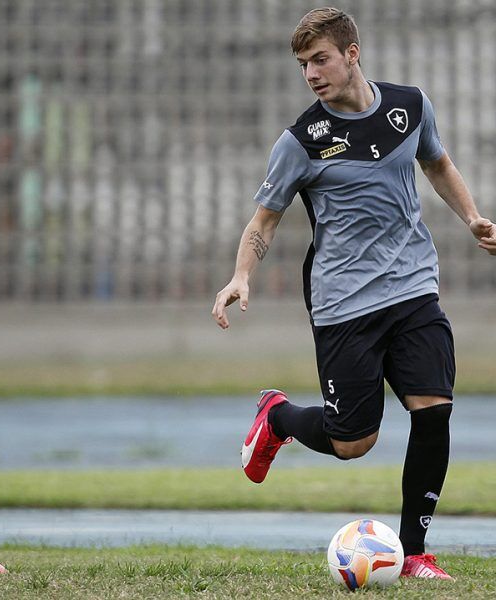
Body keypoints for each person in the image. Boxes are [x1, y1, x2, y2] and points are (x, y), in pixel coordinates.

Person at [212, 7, 496, 580]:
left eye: (320, 59)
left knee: (433, 411)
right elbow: (263, 221)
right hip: (345, 302)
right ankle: (279, 416)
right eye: (302, 64)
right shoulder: (300, 142)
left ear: (352, 54)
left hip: (414, 286)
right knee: (353, 442)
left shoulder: (409, 105)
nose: (311, 73)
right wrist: (241, 275)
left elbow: (436, 160)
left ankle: (414, 554)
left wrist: (472, 218)